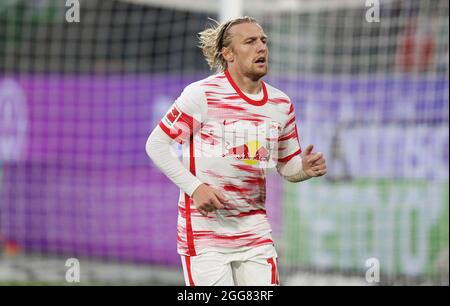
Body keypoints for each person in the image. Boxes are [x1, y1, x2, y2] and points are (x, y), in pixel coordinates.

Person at [145, 16, 327, 286]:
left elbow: (287, 166)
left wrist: (304, 169)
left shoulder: (280, 103)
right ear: (228, 53)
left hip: (255, 231)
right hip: (206, 233)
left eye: (263, 41)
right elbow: (156, 145)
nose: (261, 47)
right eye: (250, 41)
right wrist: (195, 188)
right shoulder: (202, 94)